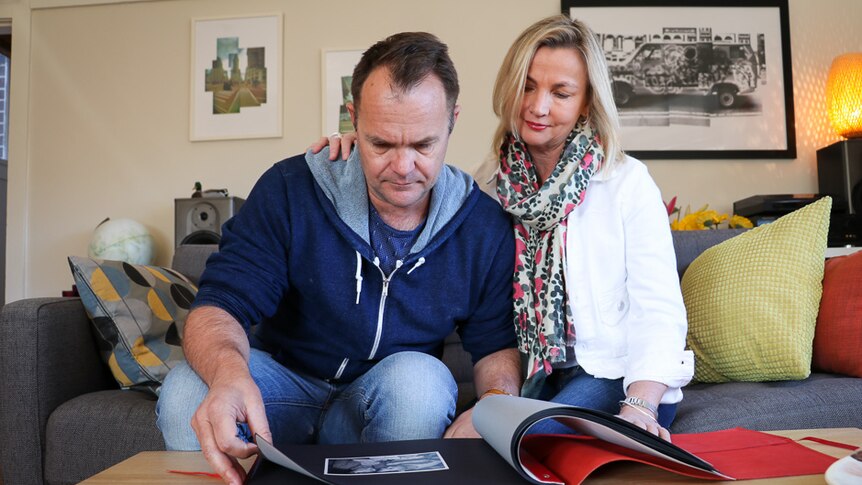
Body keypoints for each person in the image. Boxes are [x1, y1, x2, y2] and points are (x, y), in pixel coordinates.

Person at [157, 31, 520, 485]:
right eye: (382, 144)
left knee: (421, 385)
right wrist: (230, 375)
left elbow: (495, 346)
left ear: (452, 120)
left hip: (383, 395)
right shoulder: (292, 188)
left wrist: (490, 407)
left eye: (423, 145)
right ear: (353, 118)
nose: (403, 167)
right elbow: (219, 305)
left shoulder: (480, 224)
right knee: (183, 391)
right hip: (283, 388)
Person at [319, 15, 693, 441]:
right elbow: (408, 169)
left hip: (617, 378)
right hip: (535, 379)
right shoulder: (488, 186)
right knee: (473, 437)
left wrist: (640, 405)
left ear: (587, 102)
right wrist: (355, 152)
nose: (538, 106)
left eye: (561, 93)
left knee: (510, 440)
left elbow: (659, 310)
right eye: (528, 86)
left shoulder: (625, 182)